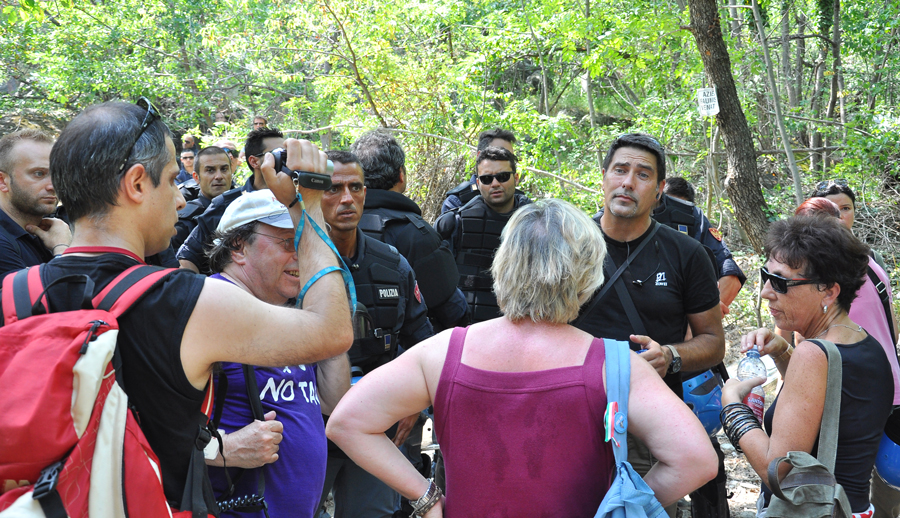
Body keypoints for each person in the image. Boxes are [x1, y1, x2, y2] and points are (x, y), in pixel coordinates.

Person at [34, 99, 352, 513]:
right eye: (171, 180)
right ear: (136, 183)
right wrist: (305, 203)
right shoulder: (190, 301)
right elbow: (333, 332)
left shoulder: (15, 292)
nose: (182, 201)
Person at [326, 198, 718, 517]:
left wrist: (426, 496)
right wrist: (621, 508)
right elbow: (696, 460)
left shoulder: (443, 352)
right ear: (587, 276)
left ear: (503, 264)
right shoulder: (615, 365)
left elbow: (347, 422)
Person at [574, 133, 724, 518]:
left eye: (642, 175)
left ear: (659, 190)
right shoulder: (568, 244)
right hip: (570, 415)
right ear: (604, 177)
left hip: (646, 423)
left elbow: (713, 342)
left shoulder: (687, 253)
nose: (628, 182)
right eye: (620, 170)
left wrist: (671, 355)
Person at [722, 215, 892, 517]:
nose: (766, 291)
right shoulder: (865, 343)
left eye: (781, 282)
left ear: (829, 291)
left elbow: (777, 471)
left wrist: (733, 407)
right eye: (766, 275)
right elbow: (830, 407)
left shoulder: (814, 354)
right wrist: (782, 351)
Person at [203, 190, 351, 518]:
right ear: (239, 247)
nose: (300, 255)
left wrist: (326, 322)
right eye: (287, 243)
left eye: (303, 244)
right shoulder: (209, 307)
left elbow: (333, 402)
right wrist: (223, 448)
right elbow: (146, 423)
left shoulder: (289, 314)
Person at [316, 150, 433, 518]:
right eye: (334, 189)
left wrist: (413, 404)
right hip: (310, 427)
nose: (346, 198)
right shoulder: (294, 265)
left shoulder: (393, 264)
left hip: (377, 426)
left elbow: (422, 344)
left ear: (366, 193)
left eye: (355, 187)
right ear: (315, 195)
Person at [792, 197, 900, 518]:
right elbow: (892, 328)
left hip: (854, 392)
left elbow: (809, 341)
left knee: (847, 486)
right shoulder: (870, 261)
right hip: (889, 381)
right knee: (888, 486)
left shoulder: (828, 279)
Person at [352, 129, 468, 331]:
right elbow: (454, 312)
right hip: (410, 348)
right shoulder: (417, 234)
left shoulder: (330, 227)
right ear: (401, 175)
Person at [434, 146, 531, 323]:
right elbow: (437, 282)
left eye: (503, 177)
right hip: (466, 327)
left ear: (516, 178)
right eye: (487, 179)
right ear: (478, 183)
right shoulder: (455, 223)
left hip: (521, 326)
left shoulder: (537, 224)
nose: (495, 184)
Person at [177, 127, 285, 273]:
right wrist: (207, 285)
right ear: (254, 161)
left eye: (224, 169)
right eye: (276, 154)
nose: (219, 176)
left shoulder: (296, 201)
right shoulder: (226, 204)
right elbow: (187, 256)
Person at [660, 177, 746, 315]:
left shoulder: (696, 219)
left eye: (680, 208)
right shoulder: (637, 219)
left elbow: (731, 274)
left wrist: (707, 313)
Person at [0, 129, 71, 282]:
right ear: (2, 181)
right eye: (39, 174)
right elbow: (58, 294)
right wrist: (62, 248)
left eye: (56, 174)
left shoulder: (53, 230)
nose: (52, 185)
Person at [811, 179, 889, 272]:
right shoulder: (803, 257)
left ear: (854, 211)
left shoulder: (872, 258)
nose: (839, 215)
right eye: (829, 209)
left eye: (845, 208)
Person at [440, 128, 517, 214]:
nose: (495, 184)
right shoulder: (458, 201)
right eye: (498, 153)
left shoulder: (520, 201)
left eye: (510, 156)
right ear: (480, 155)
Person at [172, 146, 234, 250]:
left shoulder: (243, 207)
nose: (219, 176)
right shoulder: (185, 223)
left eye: (224, 169)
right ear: (196, 177)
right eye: (210, 170)